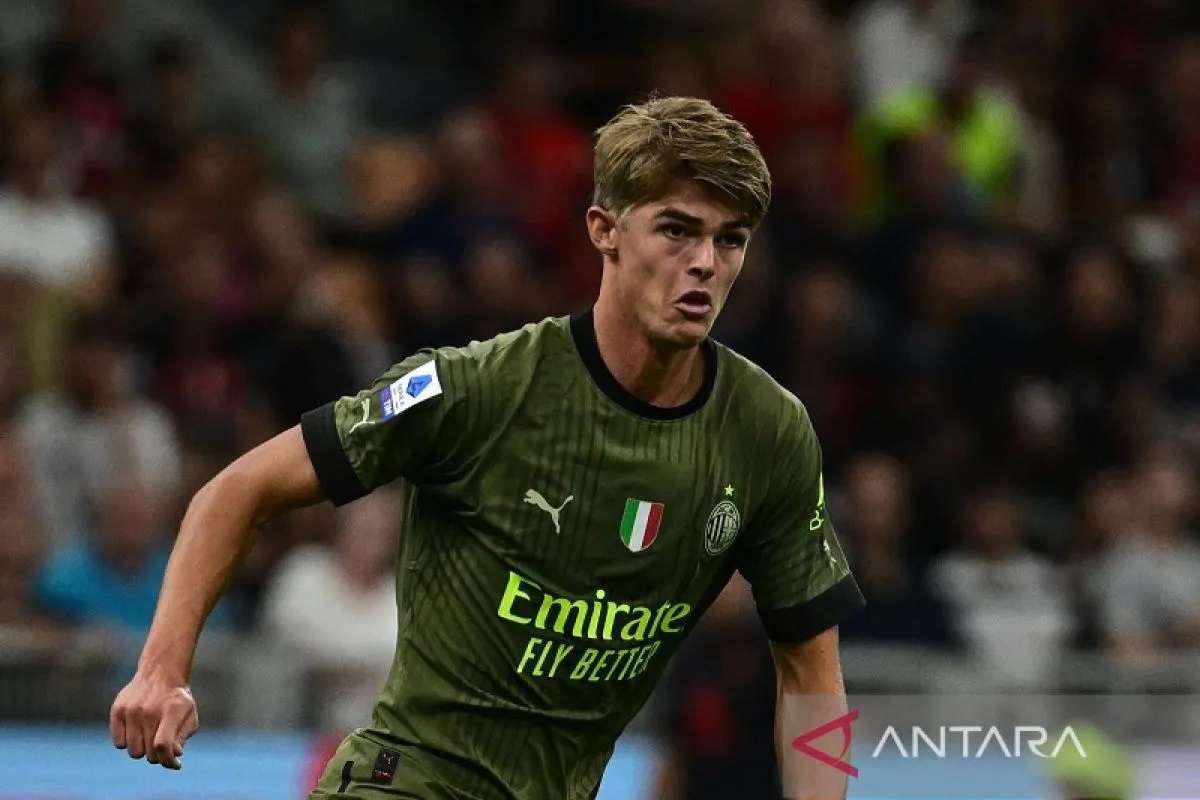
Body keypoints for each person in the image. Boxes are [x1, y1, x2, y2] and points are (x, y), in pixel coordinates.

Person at [109, 95, 866, 799]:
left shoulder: (768, 431)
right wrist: (161, 671)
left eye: (729, 240)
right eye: (677, 230)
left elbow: (812, 675)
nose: (705, 262)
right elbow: (236, 490)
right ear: (604, 229)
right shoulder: (472, 389)